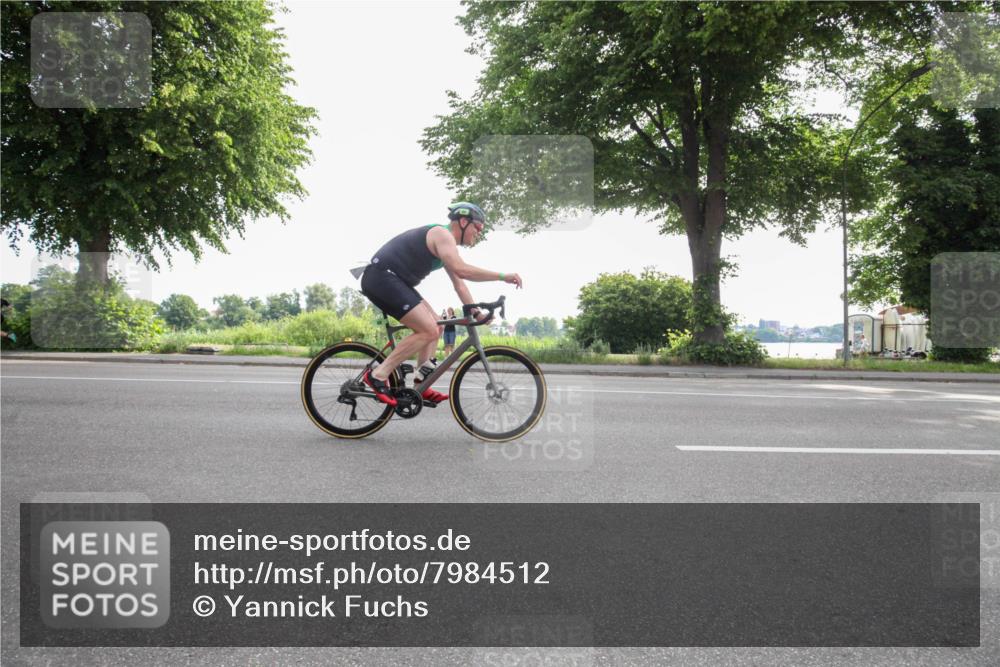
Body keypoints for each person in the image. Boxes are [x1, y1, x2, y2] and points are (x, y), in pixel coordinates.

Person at [359, 202, 522, 406]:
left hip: (396, 281)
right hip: (382, 277)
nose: (479, 233)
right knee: (427, 329)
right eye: (478, 227)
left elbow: (459, 285)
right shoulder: (442, 235)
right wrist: (502, 276)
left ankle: (421, 385)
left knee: (437, 325)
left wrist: (476, 312)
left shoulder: (447, 248)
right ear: (463, 221)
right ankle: (377, 375)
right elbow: (463, 270)